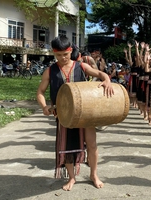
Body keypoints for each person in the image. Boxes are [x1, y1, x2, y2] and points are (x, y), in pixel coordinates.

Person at [36, 35, 114, 191]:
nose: (63, 58)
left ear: (70, 50)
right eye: (59, 55)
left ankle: (94, 174)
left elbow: (99, 74)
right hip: (64, 116)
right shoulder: (50, 71)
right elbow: (40, 92)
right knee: (67, 147)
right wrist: (44, 106)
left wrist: (107, 79)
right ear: (54, 53)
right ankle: (72, 178)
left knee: (92, 144)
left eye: (65, 54)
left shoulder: (81, 66)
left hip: (85, 113)